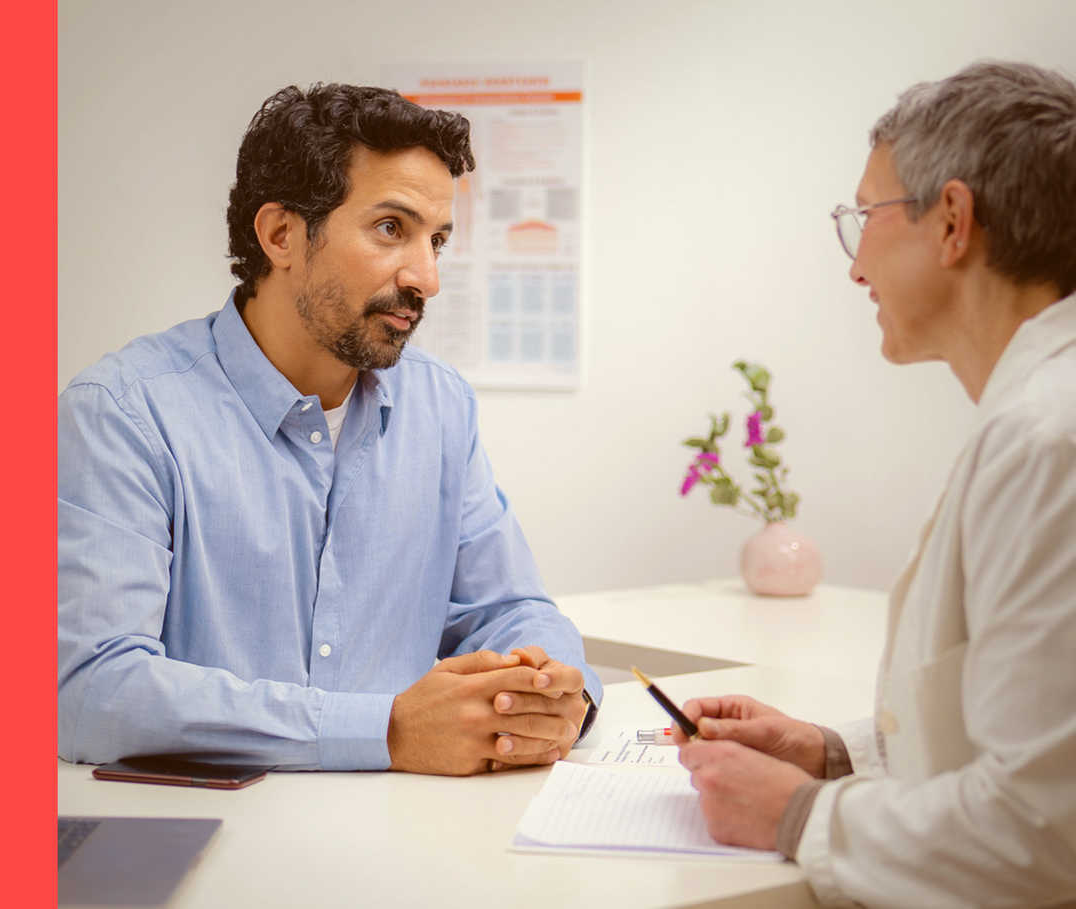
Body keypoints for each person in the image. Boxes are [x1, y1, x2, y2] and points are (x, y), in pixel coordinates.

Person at [58, 84, 601, 776]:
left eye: (436, 240)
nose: (427, 278)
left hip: (403, 844)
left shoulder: (441, 407)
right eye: (390, 229)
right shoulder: (124, 414)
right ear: (281, 234)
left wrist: (554, 686)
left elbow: (510, 606)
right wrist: (385, 730)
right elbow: (90, 691)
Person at [674, 61, 1076, 907]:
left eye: (866, 216)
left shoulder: (1049, 440)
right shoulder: (1034, 417)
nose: (857, 267)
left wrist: (801, 815)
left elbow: (1045, 832)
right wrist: (830, 751)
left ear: (954, 221)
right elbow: (1017, 737)